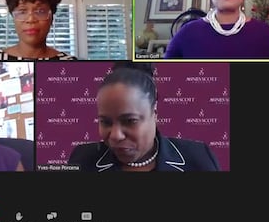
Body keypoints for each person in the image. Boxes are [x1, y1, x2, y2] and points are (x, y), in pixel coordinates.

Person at [68, 61, 220, 172]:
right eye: (106, 122)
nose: (115, 135)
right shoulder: (82, 160)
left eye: (130, 121)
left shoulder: (198, 159)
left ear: (154, 114)